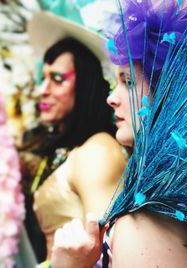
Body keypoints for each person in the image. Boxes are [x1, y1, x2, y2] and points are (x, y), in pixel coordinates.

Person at [51, 0, 187, 267]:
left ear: (171, 95)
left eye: (129, 82)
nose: (112, 98)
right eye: (116, 82)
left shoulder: (148, 219)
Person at [26, 10, 127, 264]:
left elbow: (108, 256)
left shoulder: (98, 152)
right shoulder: (72, 149)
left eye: (57, 79)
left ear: (85, 85)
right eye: (43, 78)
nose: (42, 91)